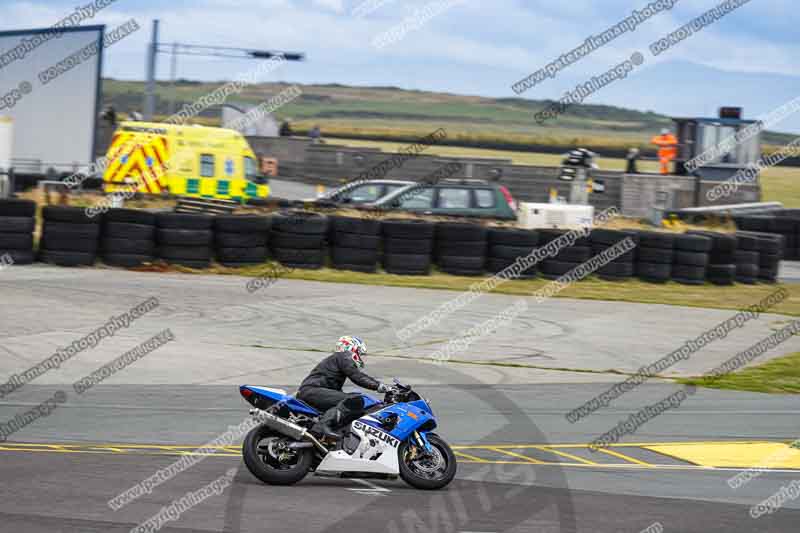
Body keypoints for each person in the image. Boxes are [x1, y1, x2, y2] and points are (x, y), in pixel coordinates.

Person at [296, 336, 390, 439]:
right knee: (355, 400)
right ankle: (321, 427)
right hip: (313, 390)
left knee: (352, 405)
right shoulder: (343, 356)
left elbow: (336, 391)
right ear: (351, 348)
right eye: (359, 352)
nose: (359, 356)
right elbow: (357, 376)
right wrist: (380, 386)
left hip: (312, 391)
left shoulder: (335, 360)